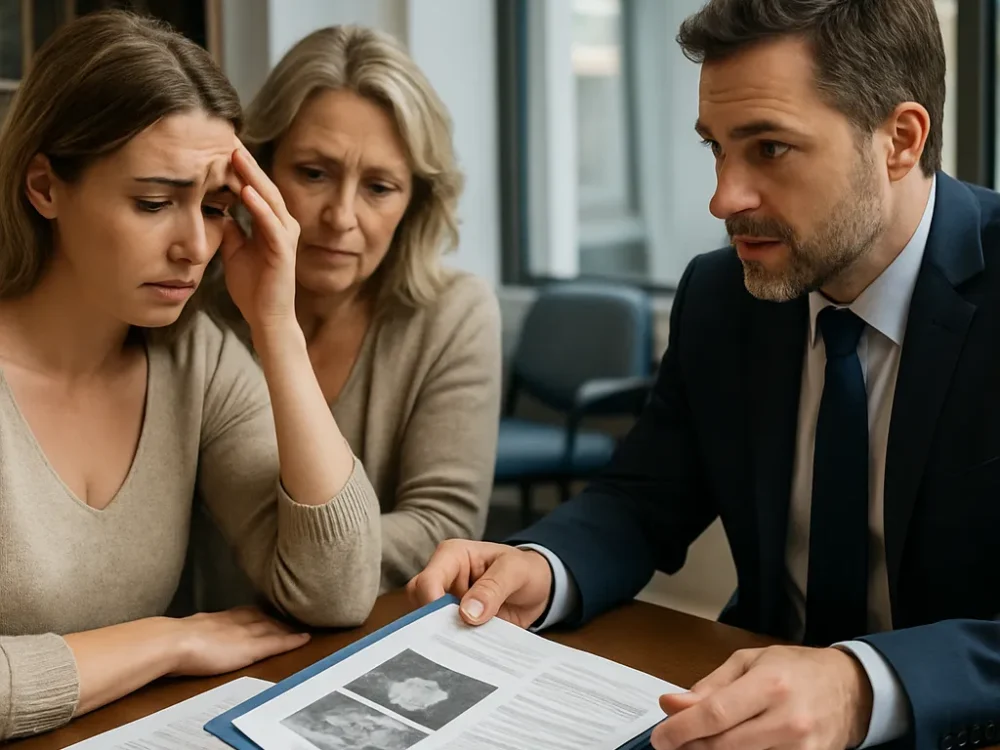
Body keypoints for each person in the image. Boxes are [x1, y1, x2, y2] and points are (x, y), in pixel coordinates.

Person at [409, 1, 1000, 748]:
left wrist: (866, 683)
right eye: (716, 149)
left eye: (770, 149)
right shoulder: (724, 296)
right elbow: (643, 498)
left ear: (900, 140)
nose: (724, 198)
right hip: (737, 716)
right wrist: (540, 566)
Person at [0, 11, 383, 741]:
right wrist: (165, 639)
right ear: (45, 187)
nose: (196, 246)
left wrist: (277, 327)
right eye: (153, 203)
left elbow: (334, 590)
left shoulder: (194, 357)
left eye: (214, 207)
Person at [199, 24, 501, 597]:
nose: (341, 216)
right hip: (209, 647)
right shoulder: (194, 309)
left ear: (415, 203)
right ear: (255, 172)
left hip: (371, 640)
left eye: (379, 187)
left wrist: (310, 566)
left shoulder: (454, 313)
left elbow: (444, 528)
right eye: (314, 173)